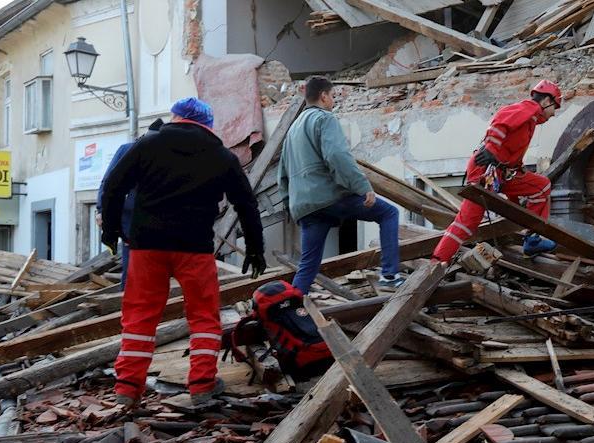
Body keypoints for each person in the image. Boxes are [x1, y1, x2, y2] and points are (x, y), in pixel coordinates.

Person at [100, 97, 266, 408]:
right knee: (204, 317)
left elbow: (113, 187)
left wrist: (110, 231)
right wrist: (255, 248)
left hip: (147, 247)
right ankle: (202, 385)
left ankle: (127, 388)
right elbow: (246, 203)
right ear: (207, 125)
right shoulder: (221, 155)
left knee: (139, 318)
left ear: (176, 117)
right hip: (195, 248)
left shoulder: (147, 145)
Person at [278, 75, 404, 293]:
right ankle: (390, 276)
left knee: (308, 264)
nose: (334, 101)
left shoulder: (292, 131)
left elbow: (282, 176)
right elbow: (337, 156)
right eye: (333, 96)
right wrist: (363, 187)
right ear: (324, 96)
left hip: (305, 207)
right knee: (389, 213)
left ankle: (292, 304)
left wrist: (293, 205)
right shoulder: (324, 118)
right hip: (329, 198)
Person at [431, 81, 562, 263]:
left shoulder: (530, 120)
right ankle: (437, 262)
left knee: (541, 186)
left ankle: (532, 240)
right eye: (555, 107)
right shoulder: (528, 108)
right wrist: (492, 149)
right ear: (546, 101)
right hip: (486, 171)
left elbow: (512, 156)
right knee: (467, 223)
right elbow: (500, 121)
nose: (554, 113)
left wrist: (515, 201)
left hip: (501, 173)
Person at [97, 118, 163, 290]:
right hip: (132, 220)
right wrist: (101, 210)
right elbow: (109, 182)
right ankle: (128, 298)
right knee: (133, 268)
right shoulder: (128, 150)